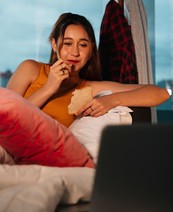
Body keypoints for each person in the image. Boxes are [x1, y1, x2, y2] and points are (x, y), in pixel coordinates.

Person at [7, 12, 171, 128]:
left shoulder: (88, 88)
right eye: (68, 43)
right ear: (54, 44)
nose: (75, 52)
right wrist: (49, 88)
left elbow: (160, 94)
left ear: (92, 50)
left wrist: (112, 100)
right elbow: (7, 117)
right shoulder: (30, 69)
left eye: (83, 45)